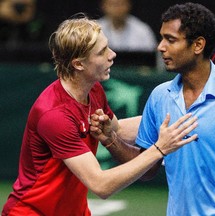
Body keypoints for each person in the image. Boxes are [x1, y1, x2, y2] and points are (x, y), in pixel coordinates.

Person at [90, 3, 215, 215]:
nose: (161, 47)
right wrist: (111, 140)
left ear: (198, 45)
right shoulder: (159, 97)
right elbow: (148, 169)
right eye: (162, 38)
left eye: (171, 40)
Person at [1, 14, 199, 216]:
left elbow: (118, 129)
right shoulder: (55, 115)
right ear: (79, 64)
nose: (112, 54)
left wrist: (181, 120)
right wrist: (159, 149)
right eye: (102, 52)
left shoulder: (93, 90)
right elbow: (101, 185)